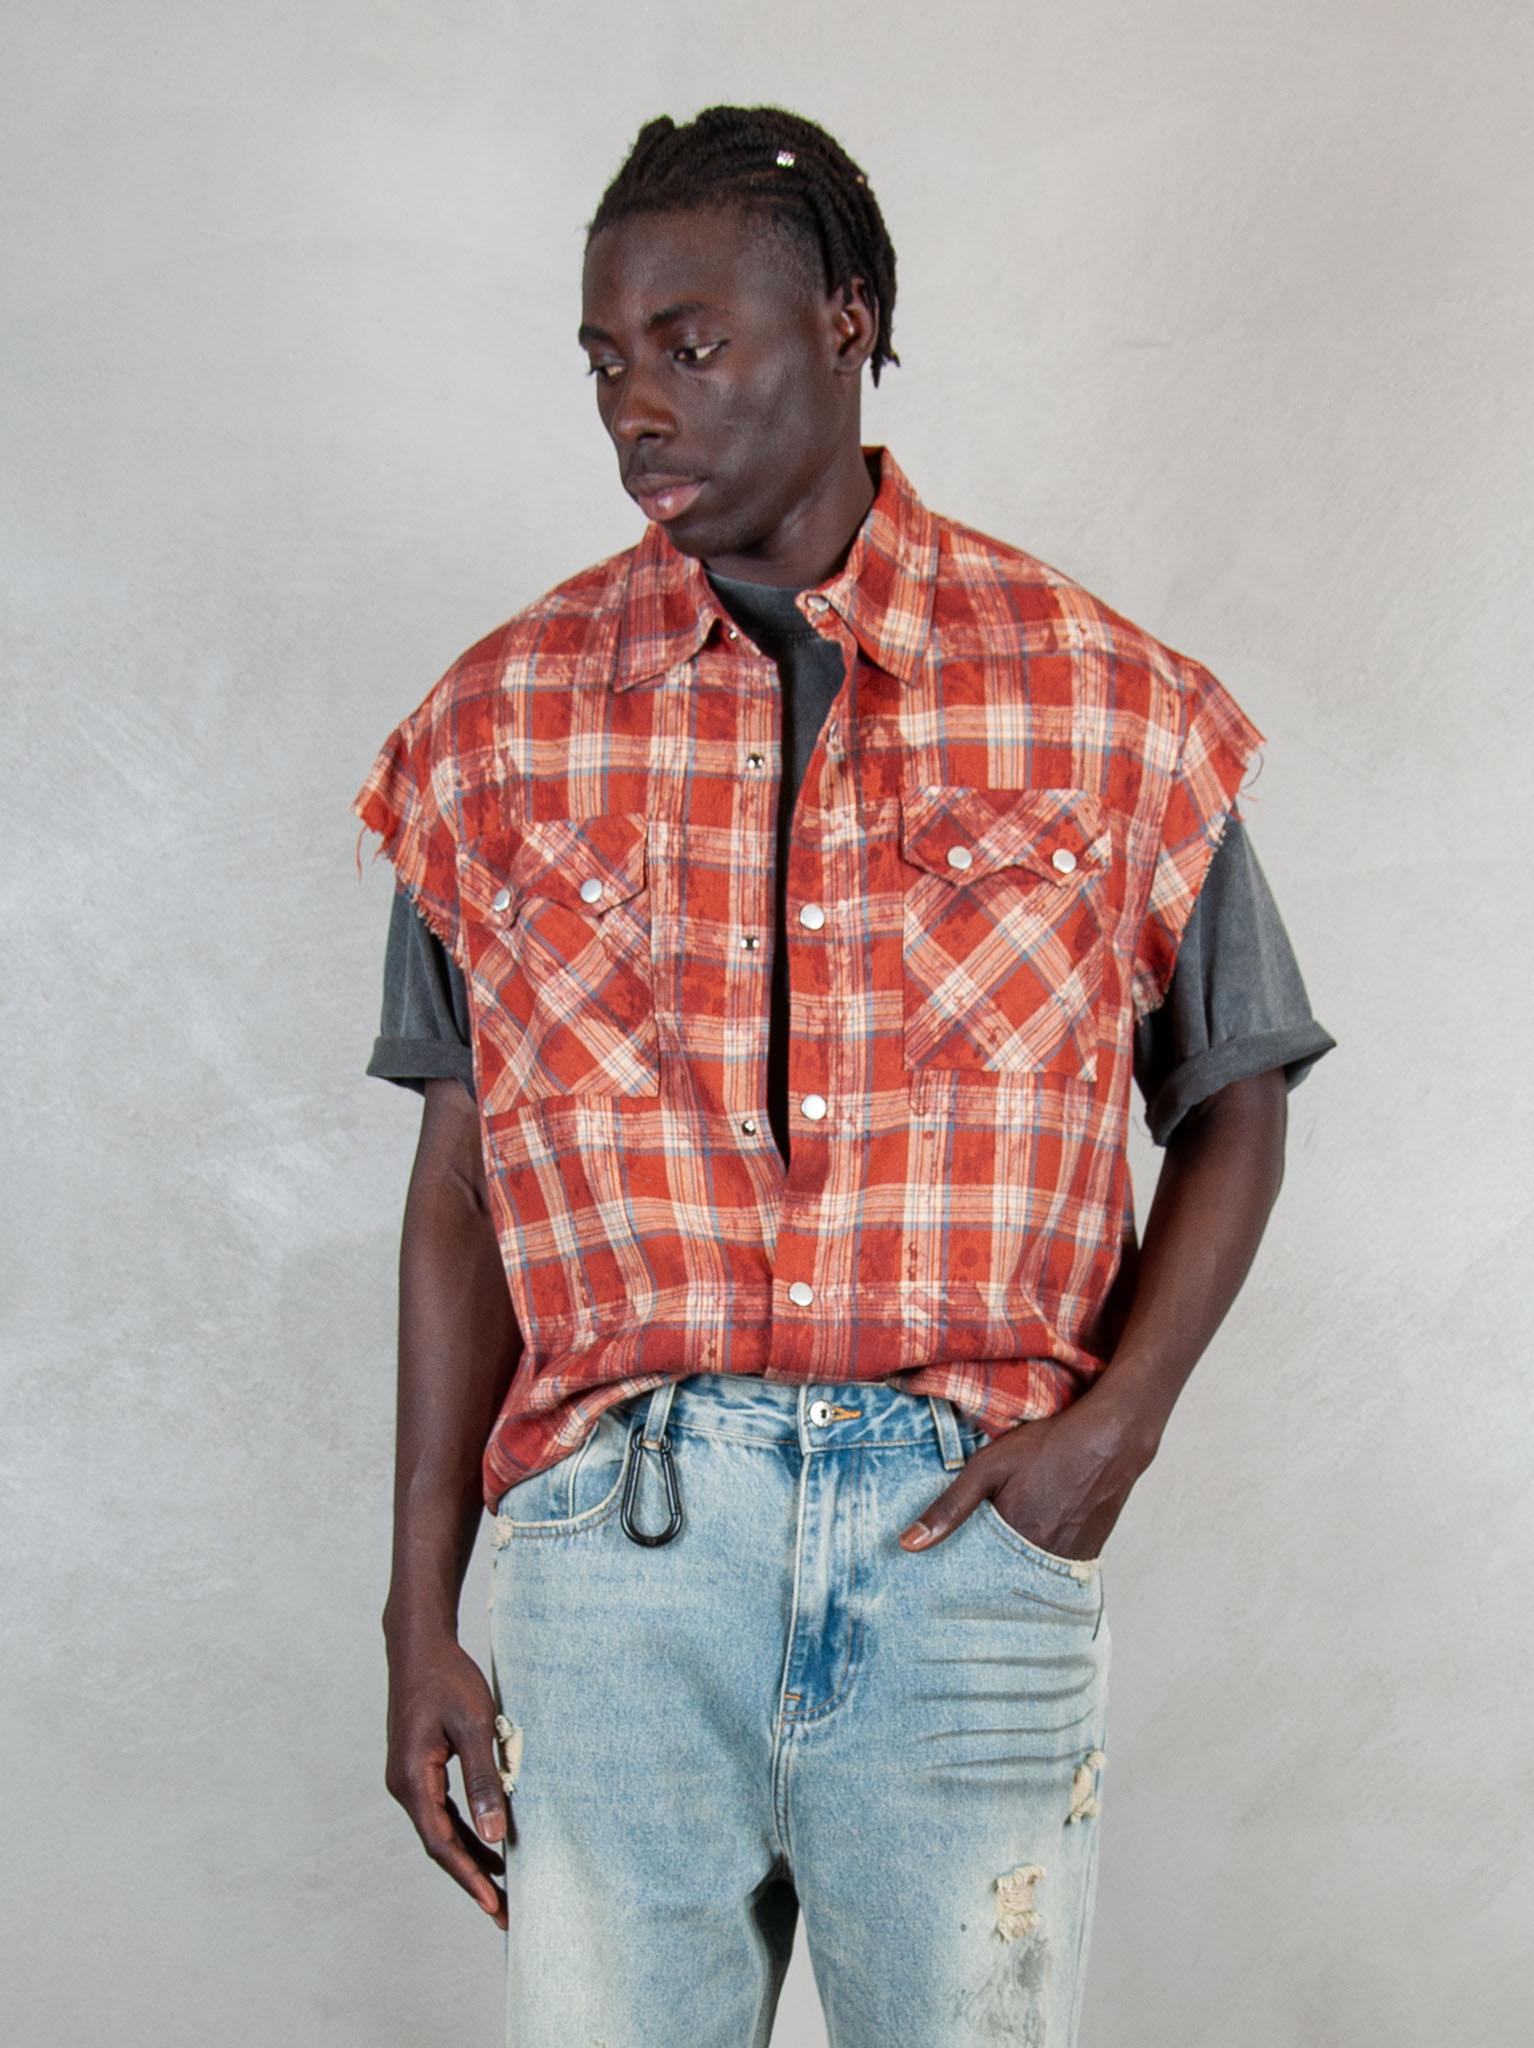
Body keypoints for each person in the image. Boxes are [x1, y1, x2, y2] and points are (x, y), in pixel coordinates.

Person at [353, 104, 1334, 2048]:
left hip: (959, 1544)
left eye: (690, 344)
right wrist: (415, 1611)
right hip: (614, 1561)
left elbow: (1234, 1090)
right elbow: (459, 1181)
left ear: (845, 324)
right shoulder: (493, 729)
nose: (637, 405)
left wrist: (1112, 1432)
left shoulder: (1099, 697)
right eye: (605, 360)